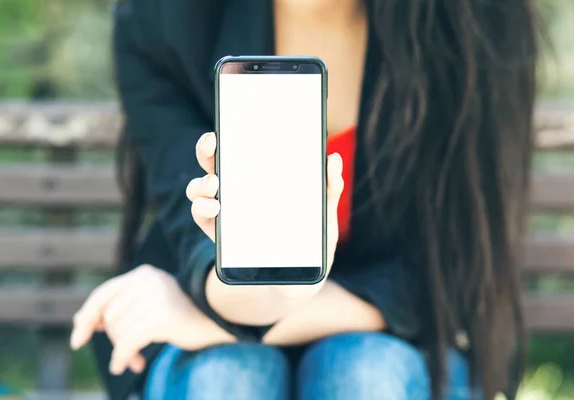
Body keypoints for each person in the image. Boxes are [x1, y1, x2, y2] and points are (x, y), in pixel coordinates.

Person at [69, 0, 542, 399]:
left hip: (406, 332)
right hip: (222, 297)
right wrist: (265, 297)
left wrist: (209, 321)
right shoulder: (163, 18)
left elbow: (457, 273)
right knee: (227, 376)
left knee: (362, 372)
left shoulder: (475, 19)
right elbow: (199, 240)